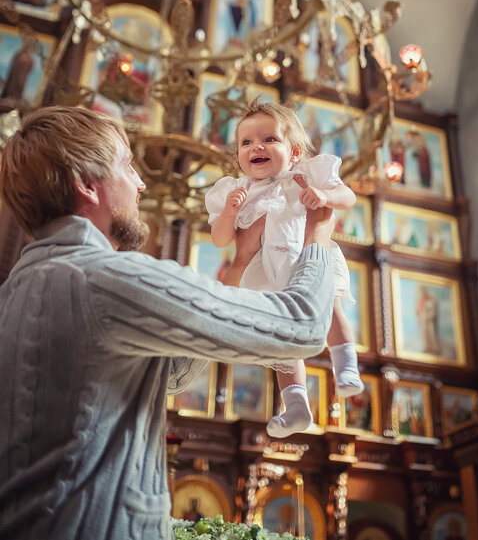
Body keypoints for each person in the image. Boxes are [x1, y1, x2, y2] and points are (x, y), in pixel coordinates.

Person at [0, 105, 335, 540]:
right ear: (87, 184)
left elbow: (169, 373)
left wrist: (238, 270)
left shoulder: (14, 291)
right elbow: (302, 328)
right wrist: (318, 234)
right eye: (127, 166)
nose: (141, 183)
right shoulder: (110, 280)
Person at [206, 99, 364, 438]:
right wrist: (229, 214)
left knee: (332, 309)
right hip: (267, 275)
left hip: (308, 259)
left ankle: (347, 367)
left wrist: (323, 196)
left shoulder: (305, 175)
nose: (256, 147)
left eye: (269, 139)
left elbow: (348, 196)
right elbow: (220, 239)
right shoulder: (237, 191)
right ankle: (295, 406)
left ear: (293, 152)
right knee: (282, 342)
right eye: (246, 143)